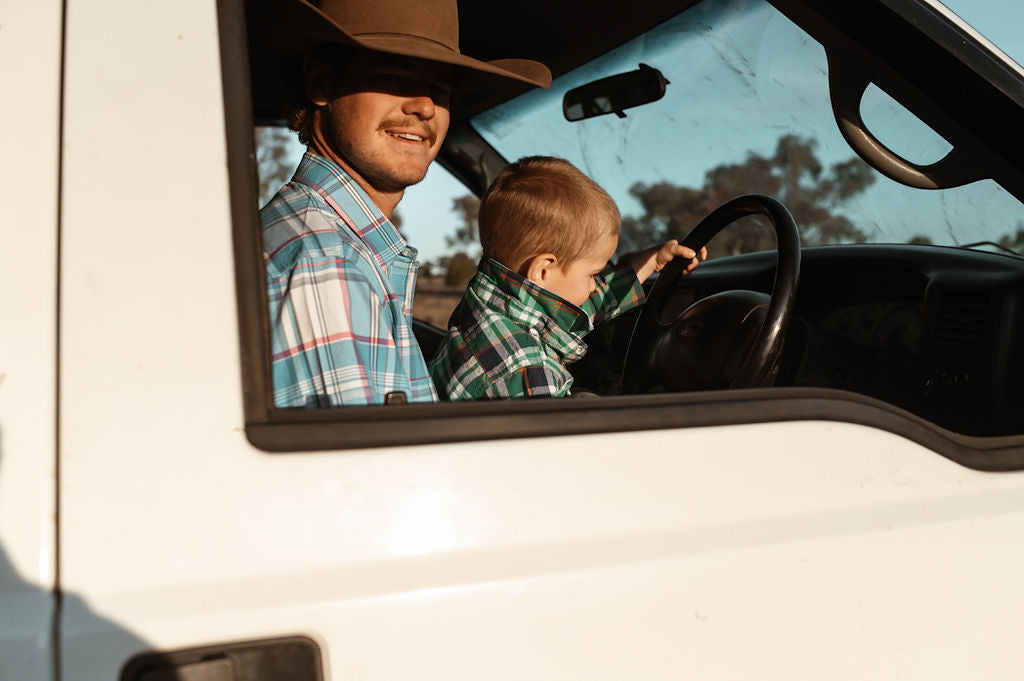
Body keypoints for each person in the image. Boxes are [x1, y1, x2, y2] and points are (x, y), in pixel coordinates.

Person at [259, 0, 551, 407]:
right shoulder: (328, 258)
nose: (425, 106)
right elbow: (369, 466)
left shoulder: (334, 242)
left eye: (440, 88)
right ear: (320, 83)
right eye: (393, 76)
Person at [429, 156, 707, 400]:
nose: (593, 284)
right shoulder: (529, 372)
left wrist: (654, 261)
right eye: (593, 273)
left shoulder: (489, 299)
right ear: (543, 270)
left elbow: (583, 304)